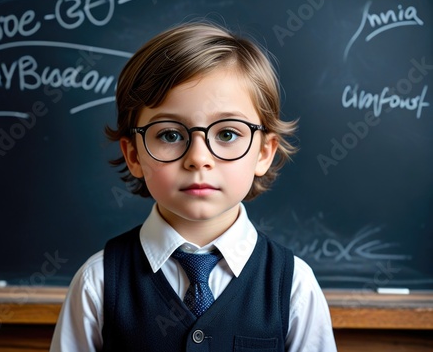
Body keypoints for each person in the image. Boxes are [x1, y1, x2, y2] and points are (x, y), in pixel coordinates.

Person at [50, 21, 337, 351]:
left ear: (264, 153)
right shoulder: (97, 283)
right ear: (133, 155)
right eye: (170, 135)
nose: (199, 159)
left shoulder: (294, 287)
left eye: (227, 134)